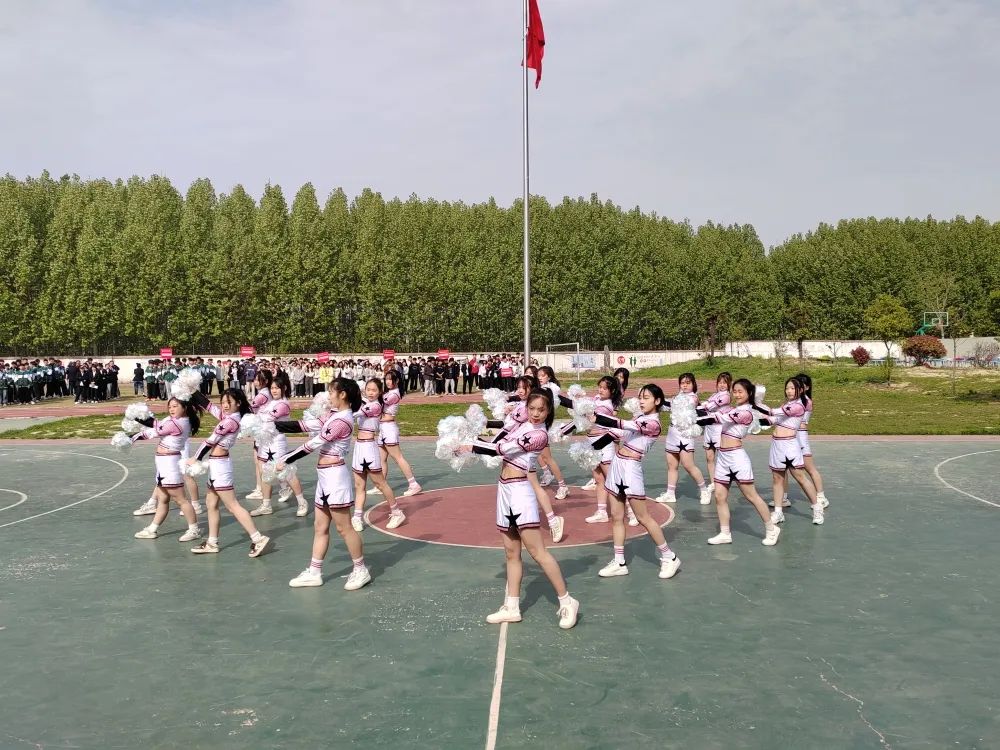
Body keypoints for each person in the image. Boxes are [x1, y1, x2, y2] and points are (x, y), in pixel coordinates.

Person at [457, 390, 579, 629]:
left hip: (521, 492)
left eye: (541, 410)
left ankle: (567, 601)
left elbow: (501, 450)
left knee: (538, 552)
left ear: (549, 411)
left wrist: (470, 446)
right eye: (532, 408)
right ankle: (512, 607)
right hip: (504, 490)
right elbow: (498, 439)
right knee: (511, 553)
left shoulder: (539, 435)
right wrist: (471, 435)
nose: (535, 413)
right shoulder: (522, 424)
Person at [567, 384, 681, 579]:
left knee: (643, 517)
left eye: (646, 397)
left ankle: (669, 557)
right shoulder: (639, 418)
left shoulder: (653, 424)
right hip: (617, 466)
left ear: (657, 401)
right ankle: (619, 562)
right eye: (640, 397)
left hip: (630, 470)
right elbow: (616, 434)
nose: (641, 401)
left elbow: (622, 425)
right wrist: (589, 448)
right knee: (617, 516)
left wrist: (597, 418)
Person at [279, 378, 372, 591]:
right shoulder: (333, 415)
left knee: (343, 527)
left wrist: (286, 458)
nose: (328, 396)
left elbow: (315, 442)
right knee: (320, 526)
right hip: (324, 476)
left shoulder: (343, 420)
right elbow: (307, 425)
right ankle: (314, 571)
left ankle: (360, 570)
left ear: (343, 394)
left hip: (335, 477)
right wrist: (270, 425)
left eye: (331, 392)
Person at [695, 379, 782, 546]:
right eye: (734, 391)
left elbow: (715, 418)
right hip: (723, 458)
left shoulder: (746, 413)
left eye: (740, 391)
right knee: (719, 496)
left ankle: (772, 529)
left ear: (749, 393)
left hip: (737, 458)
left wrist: (693, 418)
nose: (736, 394)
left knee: (751, 496)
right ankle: (725, 533)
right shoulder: (734, 409)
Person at [186, 388, 272, 556]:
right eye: (223, 402)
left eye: (228, 402)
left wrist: (195, 458)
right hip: (216, 464)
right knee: (211, 504)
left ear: (238, 403)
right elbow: (209, 407)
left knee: (232, 505)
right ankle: (212, 542)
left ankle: (258, 538)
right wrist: (193, 390)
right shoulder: (230, 417)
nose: (224, 405)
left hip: (220, 467)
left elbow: (210, 441)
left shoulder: (230, 421)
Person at [753, 377, 824, 525]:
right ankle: (778, 512)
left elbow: (773, 412)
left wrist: (754, 404)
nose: (789, 391)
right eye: (787, 388)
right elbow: (774, 420)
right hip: (777, 445)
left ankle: (817, 508)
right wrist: (755, 419)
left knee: (800, 477)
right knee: (777, 479)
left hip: (790, 445)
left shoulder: (799, 405)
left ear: (800, 390)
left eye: (792, 388)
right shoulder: (787, 404)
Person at [131, 398, 203, 543]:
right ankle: (152, 529)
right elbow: (157, 424)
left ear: (185, 407)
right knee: (163, 499)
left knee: (181, 500)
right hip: (163, 464)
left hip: (170, 465)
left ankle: (194, 529)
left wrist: (132, 430)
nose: (171, 409)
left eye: (175, 406)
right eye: (170, 406)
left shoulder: (177, 423)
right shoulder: (175, 421)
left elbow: (154, 430)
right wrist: (137, 417)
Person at [774, 372, 831, 511]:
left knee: (809, 468)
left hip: (800, 436)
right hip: (788, 437)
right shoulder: (790, 402)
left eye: (799, 386)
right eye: (792, 386)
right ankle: (783, 498)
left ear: (806, 387)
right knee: (783, 469)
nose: (793, 389)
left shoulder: (805, 402)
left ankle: (821, 497)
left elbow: (786, 413)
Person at [655, 373, 712, 505]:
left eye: (688, 383)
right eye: (682, 383)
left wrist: (660, 400)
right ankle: (670, 494)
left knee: (688, 465)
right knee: (671, 465)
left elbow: (681, 405)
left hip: (685, 435)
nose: (685, 385)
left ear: (693, 384)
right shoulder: (677, 397)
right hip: (672, 433)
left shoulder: (693, 398)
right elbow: (669, 405)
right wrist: (657, 402)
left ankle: (704, 490)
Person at [367, 370, 422, 500]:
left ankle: (413, 484)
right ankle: (380, 486)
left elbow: (378, 399)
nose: (388, 381)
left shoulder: (394, 394)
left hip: (389, 429)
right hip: (383, 429)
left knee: (398, 458)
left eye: (390, 379)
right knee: (381, 459)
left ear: (397, 381)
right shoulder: (389, 392)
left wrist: (368, 393)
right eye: (386, 379)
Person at [701, 372, 733, 493]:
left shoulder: (726, 396)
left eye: (724, 382)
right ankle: (713, 483)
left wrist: (696, 407)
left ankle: (723, 481)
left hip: (719, 429)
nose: (722, 385)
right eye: (720, 382)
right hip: (709, 428)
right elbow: (706, 406)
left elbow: (709, 407)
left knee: (722, 457)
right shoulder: (714, 395)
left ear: (729, 384)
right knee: (709, 457)